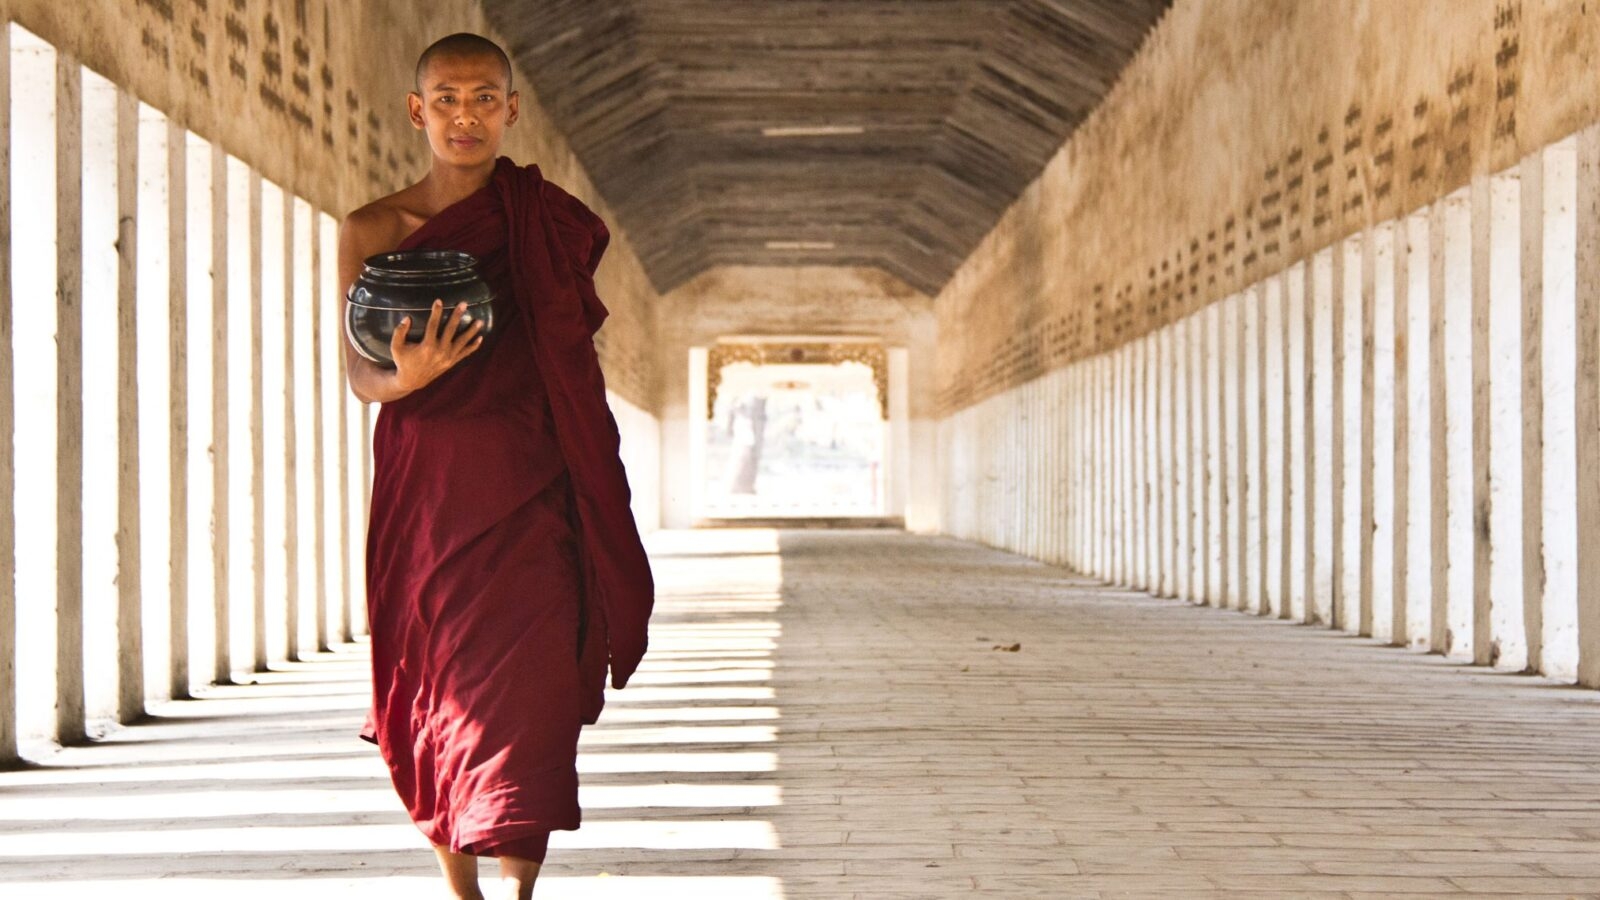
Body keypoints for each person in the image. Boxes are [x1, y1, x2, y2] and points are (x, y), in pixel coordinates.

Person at [336, 33, 654, 900]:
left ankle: (517, 890)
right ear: (417, 110)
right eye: (446, 99)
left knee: (535, 686)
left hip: (533, 484)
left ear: (511, 111)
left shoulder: (543, 223)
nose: (465, 115)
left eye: (483, 99)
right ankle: (461, 887)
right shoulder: (370, 229)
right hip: (428, 491)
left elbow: (565, 346)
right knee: (440, 682)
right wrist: (412, 374)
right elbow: (359, 375)